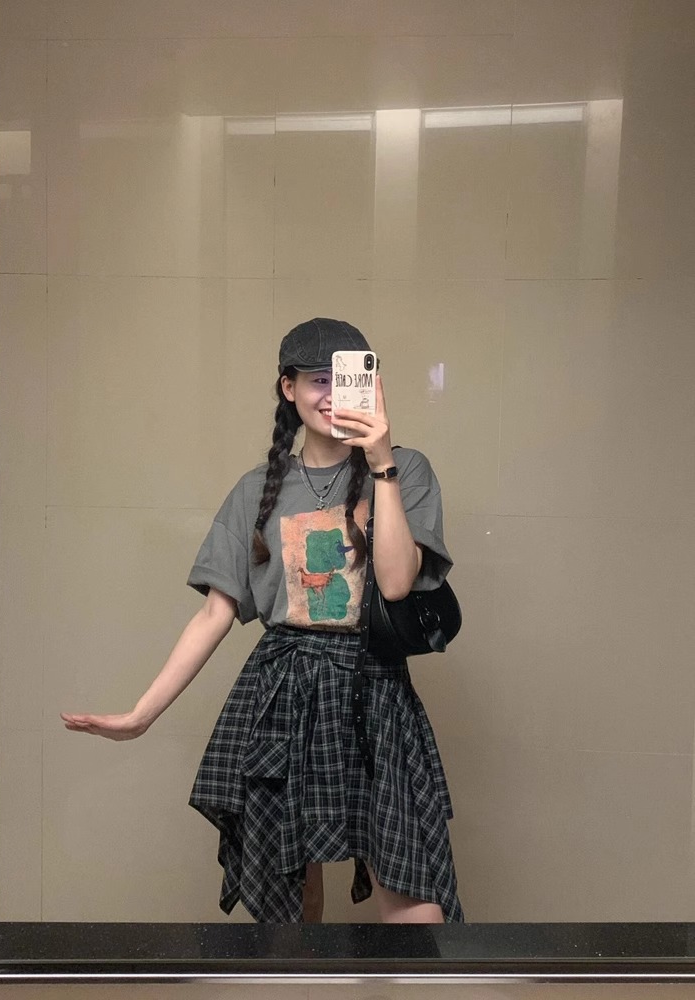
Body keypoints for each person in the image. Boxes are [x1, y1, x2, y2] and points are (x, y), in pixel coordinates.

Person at [61, 317, 463, 925]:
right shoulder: (256, 491)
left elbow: (396, 582)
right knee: (290, 911)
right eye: (317, 380)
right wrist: (141, 715)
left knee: (415, 909)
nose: (332, 394)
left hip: (375, 694)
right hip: (283, 696)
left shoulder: (407, 470)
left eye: (346, 379)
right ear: (288, 388)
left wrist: (381, 463)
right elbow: (214, 614)